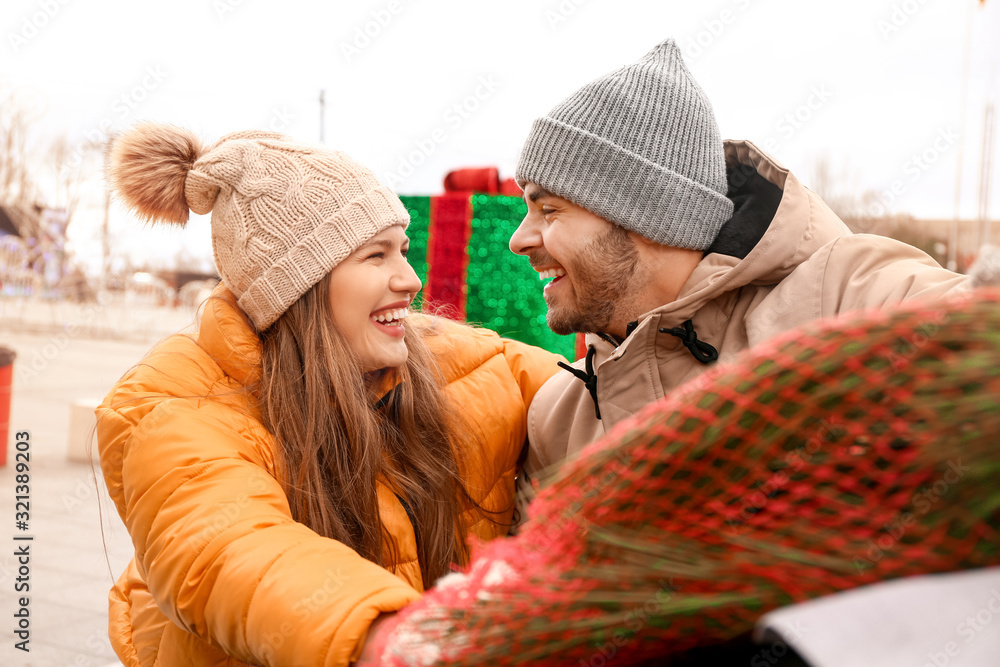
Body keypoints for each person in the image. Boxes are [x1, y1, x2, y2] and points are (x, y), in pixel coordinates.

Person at [96, 123, 562, 666]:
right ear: (302, 286)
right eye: (376, 256)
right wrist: (390, 639)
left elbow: (589, 385)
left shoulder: (442, 355)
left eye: (404, 250)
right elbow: (230, 551)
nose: (411, 280)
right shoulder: (172, 402)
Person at [509, 38, 971, 491]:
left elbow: (973, 330)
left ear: (649, 216)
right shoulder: (557, 419)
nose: (517, 240)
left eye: (549, 210)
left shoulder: (847, 298)